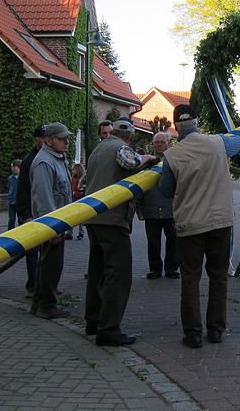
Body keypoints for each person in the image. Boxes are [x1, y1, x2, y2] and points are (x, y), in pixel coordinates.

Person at [159, 104, 240, 349]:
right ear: (197, 123)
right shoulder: (219, 143)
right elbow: (239, 141)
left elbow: (165, 191)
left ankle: (193, 333)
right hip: (220, 222)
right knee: (218, 276)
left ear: (176, 128)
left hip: (190, 224)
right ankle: (216, 329)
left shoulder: (171, 156)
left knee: (190, 278)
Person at [85, 118, 155, 347]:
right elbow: (130, 162)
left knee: (97, 271)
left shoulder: (98, 148)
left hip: (94, 216)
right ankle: (109, 329)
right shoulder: (120, 148)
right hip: (113, 219)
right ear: (132, 137)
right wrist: (147, 159)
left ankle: (93, 321)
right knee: (118, 274)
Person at [29, 122, 74, 320]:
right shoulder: (45, 163)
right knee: (50, 265)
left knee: (49, 263)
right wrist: (53, 227)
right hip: (52, 224)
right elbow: (43, 197)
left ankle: (39, 302)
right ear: (48, 140)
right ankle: (46, 305)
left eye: (67, 138)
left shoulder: (56, 159)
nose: (66, 141)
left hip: (58, 221)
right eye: (61, 138)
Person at [135, 131, 179, 280]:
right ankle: (155, 269)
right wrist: (139, 209)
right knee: (153, 242)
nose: (159, 145)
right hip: (151, 209)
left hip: (170, 209)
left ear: (168, 143)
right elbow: (139, 186)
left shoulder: (174, 161)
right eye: (156, 142)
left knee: (173, 241)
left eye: (162, 142)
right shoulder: (146, 164)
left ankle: (171, 268)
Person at [16, 125, 46, 298]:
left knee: (48, 251)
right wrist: (25, 215)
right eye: (42, 137)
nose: (46, 140)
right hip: (32, 212)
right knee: (33, 252)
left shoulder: (49, 157)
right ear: (36, 140)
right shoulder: (29, 161)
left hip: (44, 211)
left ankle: (47, 283)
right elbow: (23, 191)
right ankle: (32, 285)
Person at [71, 163, 87, 240]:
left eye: (74, 169)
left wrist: (75, 194)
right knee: (71, 217)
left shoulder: (82, 179)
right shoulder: (73, 179)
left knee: (81, 218)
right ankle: (69, 232)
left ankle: (81, 232)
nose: (72, 171)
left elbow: (83, 191)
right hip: (73, 200)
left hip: (80, 200)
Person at [7, 160, 21, 230]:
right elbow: (9, 188)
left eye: (14, 167)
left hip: (20, 201)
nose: (12, 169)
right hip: (12, 201)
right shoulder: (10, 178)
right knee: (11, 220)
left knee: (21, 219)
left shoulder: (22, 178)